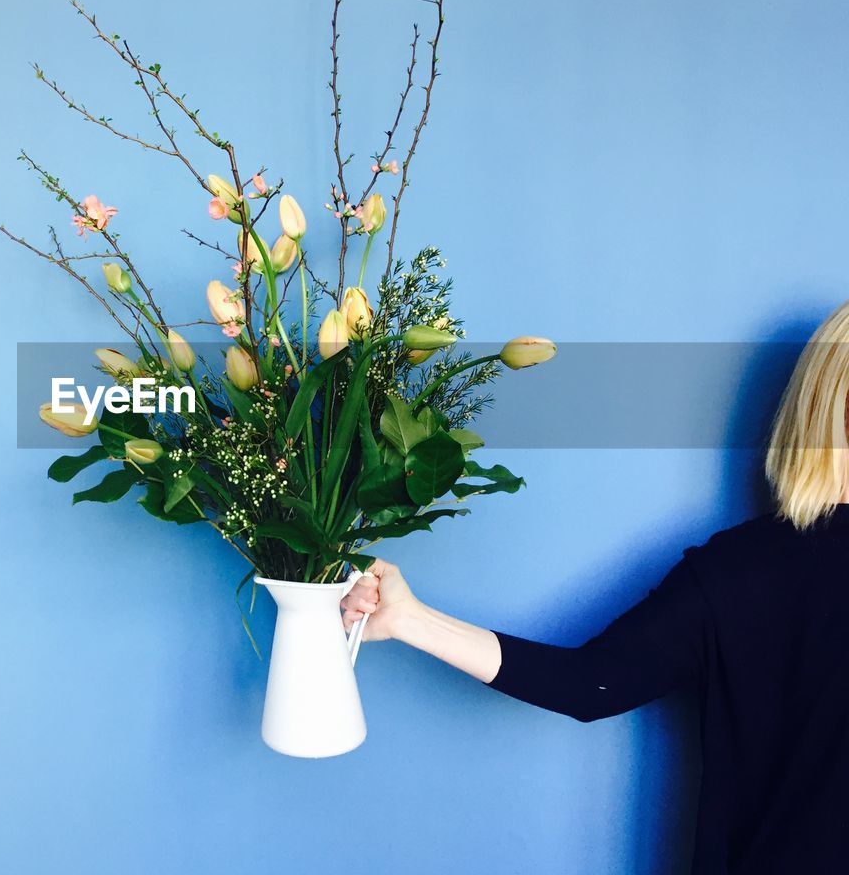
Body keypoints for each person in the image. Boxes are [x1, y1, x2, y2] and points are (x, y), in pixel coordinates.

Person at [342, 300, 849, 875]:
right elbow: (593, 685)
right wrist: (408, 619)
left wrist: (410, 618)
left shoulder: (735, 569)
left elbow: (589, 686)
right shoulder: (736, 571)